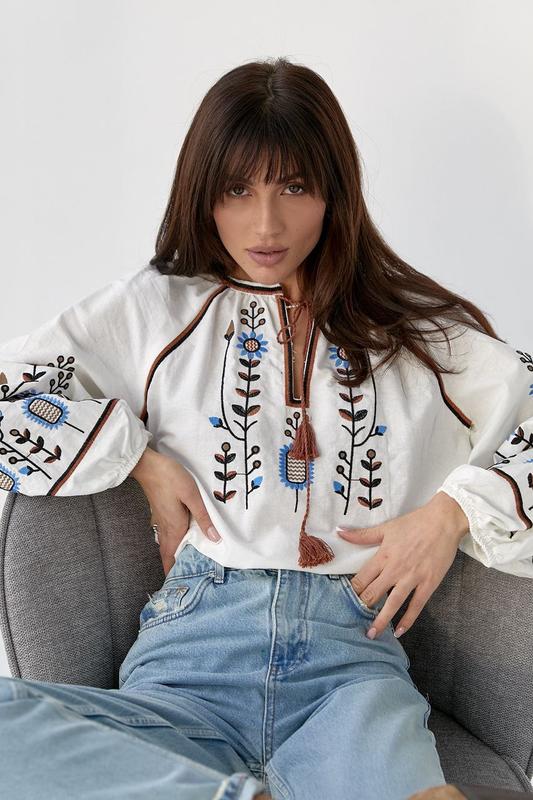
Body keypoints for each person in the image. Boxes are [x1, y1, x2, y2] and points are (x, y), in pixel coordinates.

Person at [0, 56, 532, 800]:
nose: (266, 224)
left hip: (350, 666)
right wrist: (135, 457)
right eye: (236, 190)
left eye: (294, 187)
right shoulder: (153, 311)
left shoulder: (418, 337)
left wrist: (452, 514)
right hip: (189, 661)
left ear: (334, 191)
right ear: (203, 193)